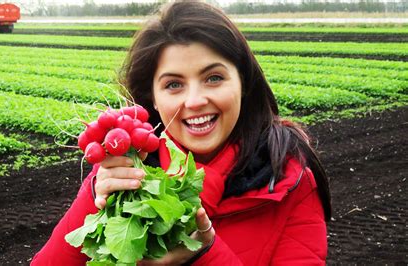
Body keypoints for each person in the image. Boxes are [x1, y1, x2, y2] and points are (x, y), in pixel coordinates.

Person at [31, 1, 331, 265]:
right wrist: (94, 195)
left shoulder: (290, 181)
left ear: (243, 82)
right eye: (174, 84)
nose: (195, 100)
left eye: (214, 78)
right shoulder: (127, 175)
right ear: (154, 100)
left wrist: (204, 256)